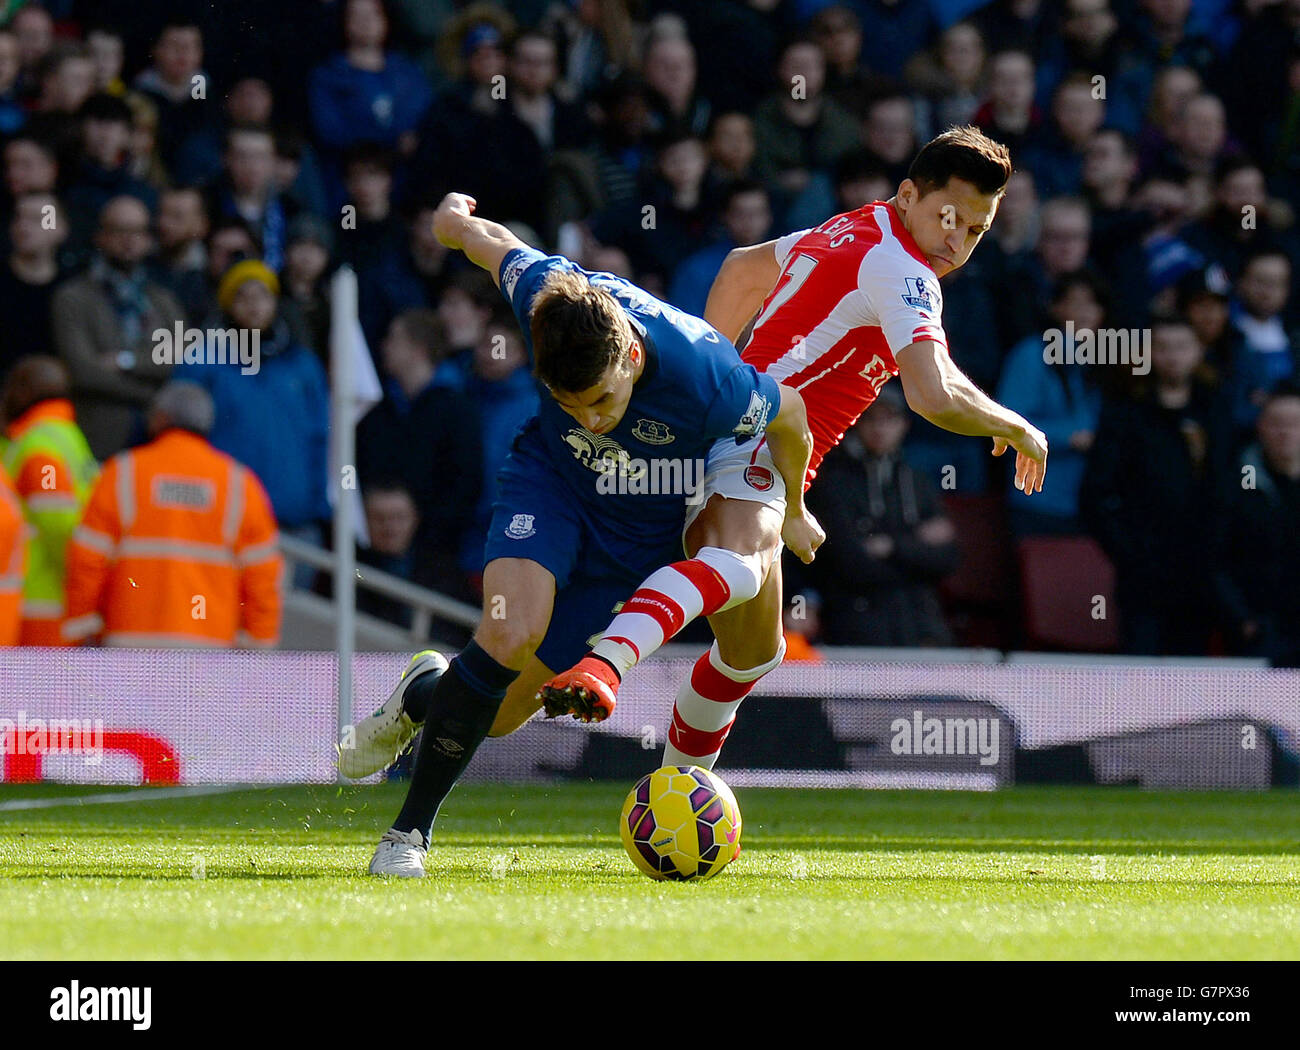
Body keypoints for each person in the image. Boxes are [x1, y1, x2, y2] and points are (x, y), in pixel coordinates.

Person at [511, 126, 1048, 772]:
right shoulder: (906, 271)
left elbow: (741, 270)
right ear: (909, 195)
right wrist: (1016, 427)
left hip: (745, 428)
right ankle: (605, 664)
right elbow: (932, 396)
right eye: (949, 218)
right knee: (735, 565)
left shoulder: (859, 227)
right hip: (760, 437)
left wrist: (713, 371)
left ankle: (670, 786)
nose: (957, 241)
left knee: (752, 653)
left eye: (976, 231)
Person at [341, 190, 811, 878]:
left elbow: (791, 413)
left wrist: (794, 506)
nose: (589, 420)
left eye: (600, 403)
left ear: (627, 356)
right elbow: (492, 242)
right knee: (508, 634)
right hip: (550, 487)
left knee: (494, 719)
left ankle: (421, 693)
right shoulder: (548, 298)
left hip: (635, 540)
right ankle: (406, 836)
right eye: (571, 405)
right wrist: (451, 223)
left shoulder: (709, 378)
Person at [63, 381, 281, 648]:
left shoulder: (122, 473)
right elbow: (263, 577)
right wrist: (258, 647)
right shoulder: (239, 484)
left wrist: (82, 629)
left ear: (159, 418)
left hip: (128, 650)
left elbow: (86, 561)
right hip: (210, 655)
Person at [50, 195, 183, 459]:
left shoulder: (163, 300)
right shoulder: (73, 297)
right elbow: (83, 371)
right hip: (99, 438)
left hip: (158, 440)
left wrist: (126, 361)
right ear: (101, 237)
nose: (129, 240)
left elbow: (181, 359)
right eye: (120, 230)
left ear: (148, 239)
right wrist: (152, 394)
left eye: (138, 231)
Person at [0, 357, 98, 645]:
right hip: (56, 602)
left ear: (25, 392)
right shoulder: (69, 437)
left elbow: (58, 525)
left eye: (11, 387)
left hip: (39, 605)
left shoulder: (39, 446)